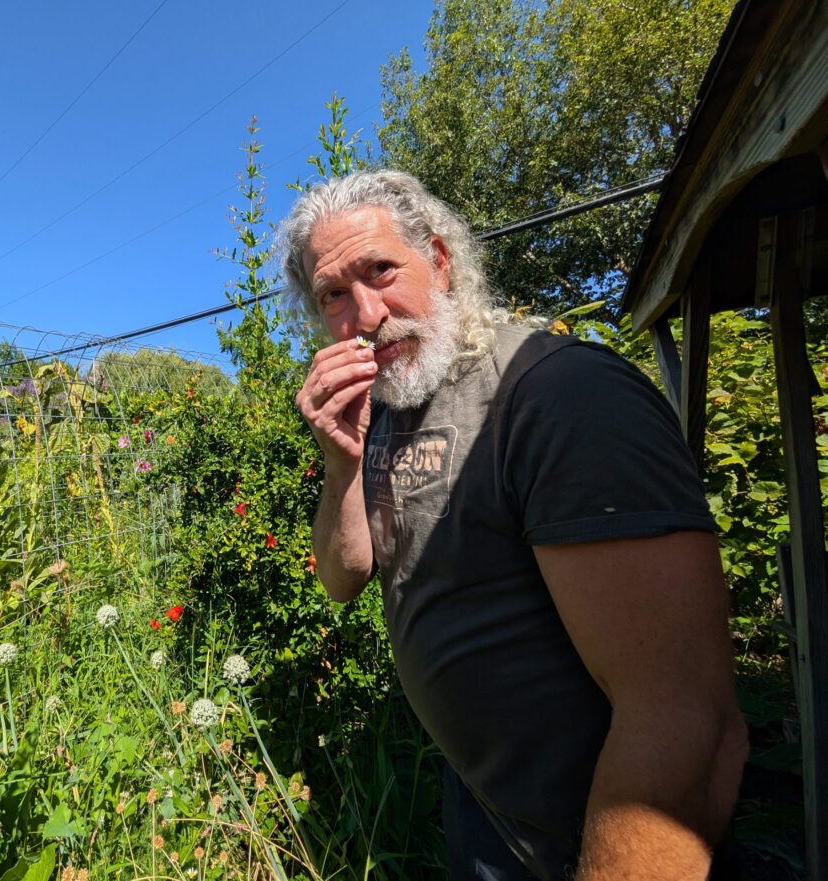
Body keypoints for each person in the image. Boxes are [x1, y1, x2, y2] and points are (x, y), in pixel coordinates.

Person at [281, 170, 748, 881]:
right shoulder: (385, 409)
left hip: (589, 841)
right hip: (483, 808)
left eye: (381, 271)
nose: (367, 315)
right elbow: (345, 578)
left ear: (439, 260)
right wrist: (340, 461)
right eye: (334, 296)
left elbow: (688, 725)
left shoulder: (557, 393)